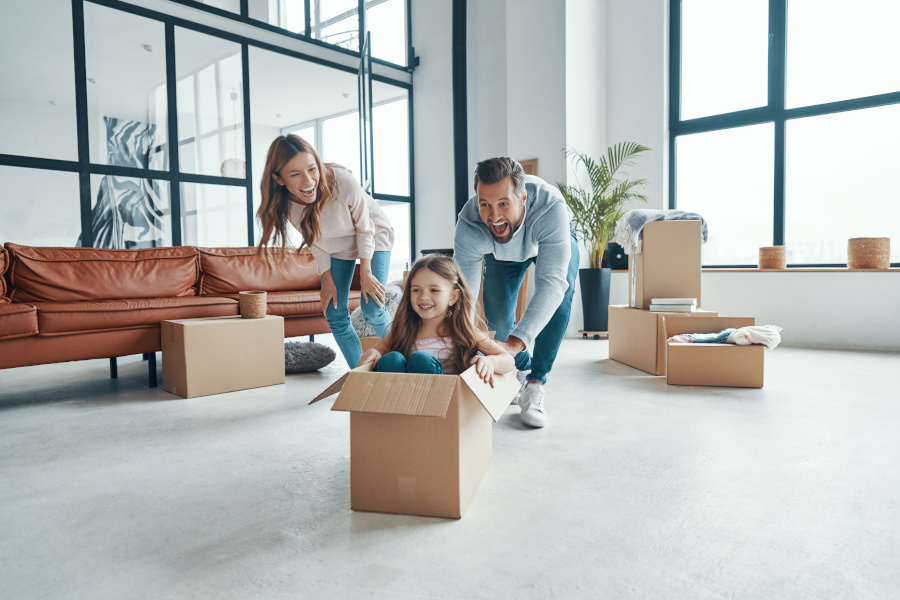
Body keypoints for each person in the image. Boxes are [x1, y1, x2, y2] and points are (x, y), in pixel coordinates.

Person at [453, 157, 579, 428]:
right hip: (504, 252)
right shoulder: (471, 222)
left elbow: (551, 284)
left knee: (560, 294)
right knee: (497, 323)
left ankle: (535, 383)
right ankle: (521, 367)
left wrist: (516, 342)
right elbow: (465, 293)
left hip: (547, 237)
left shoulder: (550, 207)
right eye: (484, 204)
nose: (494, 215)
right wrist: (459, 337)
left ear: (523, 198)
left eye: (503, 204)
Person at [257, 134, 394, 369]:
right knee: (334, 313)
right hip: (336, 246)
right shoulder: (286, 204)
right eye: (295, 174)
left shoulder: (342, 182)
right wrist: (327, 278)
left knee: (372, 307)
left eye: (312, 169)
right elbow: (315, 241)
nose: (308, 180)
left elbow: (364, 228)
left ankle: (410, 362)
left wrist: (366, 273)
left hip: (373, 234)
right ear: (279, 179)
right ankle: (360, 377)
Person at [359, 254, 514, 385]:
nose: (423, 297)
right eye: (416, 290)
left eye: (434, 290)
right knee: (391, 359)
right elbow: (379, 350)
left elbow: (507, 359)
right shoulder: (405, 328)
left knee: (421, 360)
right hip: (402, 397)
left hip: (442, 401)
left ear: (453, 297)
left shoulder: (462, 330)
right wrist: (373, 353)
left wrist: (491, 362)